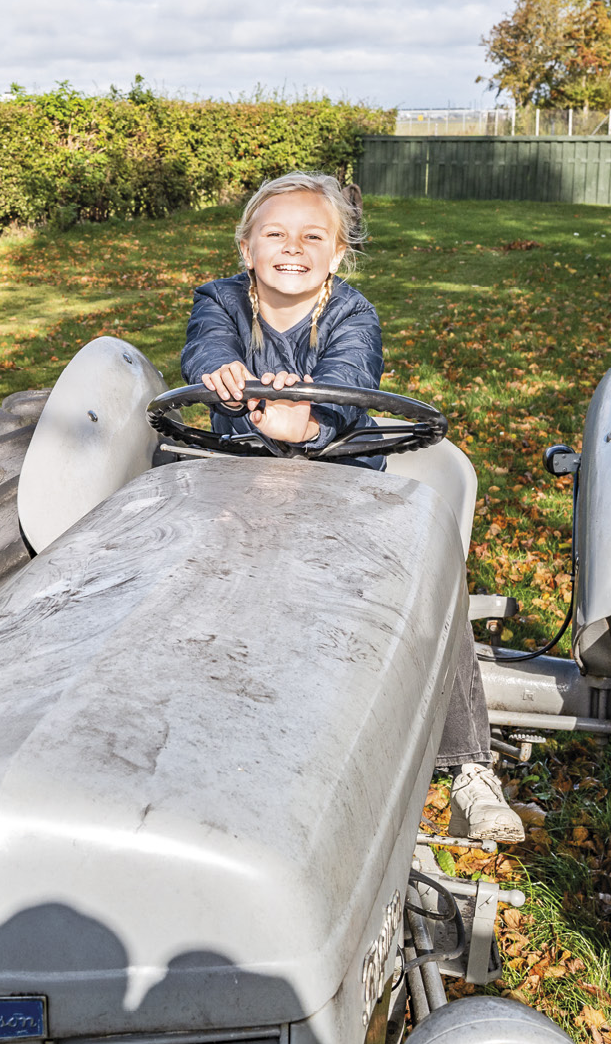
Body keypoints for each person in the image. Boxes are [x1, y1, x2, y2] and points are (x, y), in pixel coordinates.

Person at [180, 170, 524, 844]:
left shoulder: (349, 312)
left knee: (428, 575)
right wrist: (220, 375)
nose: (292, 248)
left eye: (313, 236)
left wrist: (304, 425)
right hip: (234, 477)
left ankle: (469, 769)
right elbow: (205, 346)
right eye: (275, 234)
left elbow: (349, 382)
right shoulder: (219, 299)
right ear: (246, 247)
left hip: (338, 479)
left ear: (337, 254)